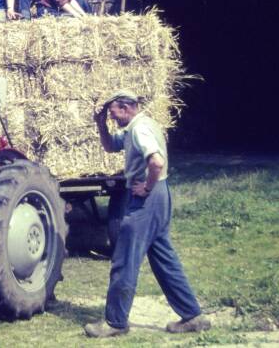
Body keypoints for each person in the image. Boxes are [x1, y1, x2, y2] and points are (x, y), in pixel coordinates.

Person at [84, 91, 210, 338]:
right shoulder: (140, 126)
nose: (112, 118)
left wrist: (147, 187)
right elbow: (110, 146)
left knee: (124, 258)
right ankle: (193, 316)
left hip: (146, 199)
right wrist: (100, 125)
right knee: (163, 257)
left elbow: (156, 162)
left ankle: (115, 322)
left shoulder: (139, 130)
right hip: (160, 196)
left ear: (125, 108)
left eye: (113, 114)